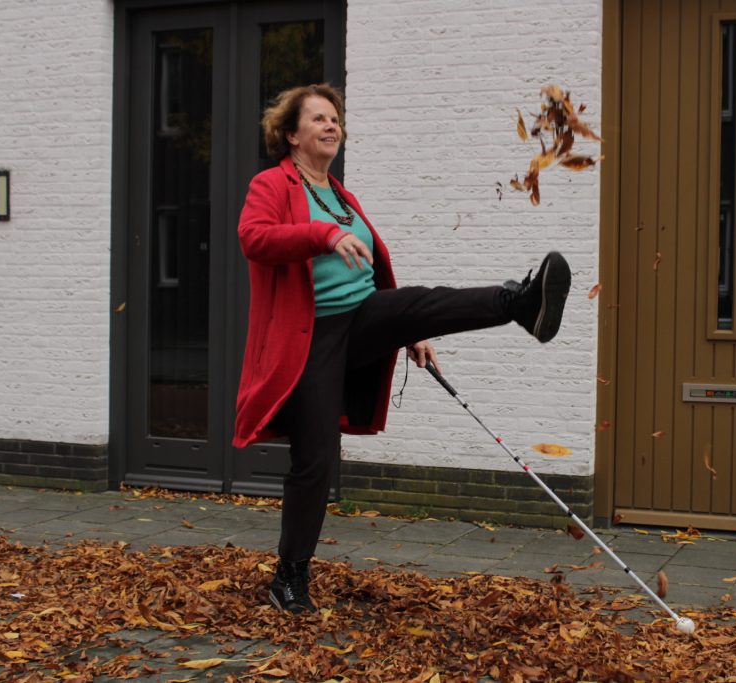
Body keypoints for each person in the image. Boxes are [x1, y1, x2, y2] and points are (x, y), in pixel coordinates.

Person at [232, 83, 571, 614]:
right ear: (292, 134)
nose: (331, 126)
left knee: (416, 304)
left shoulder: (341, 196)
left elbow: (375, 277)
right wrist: (319, 236)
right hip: (310, 338)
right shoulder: (272, 185)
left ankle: (519, 302)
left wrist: (406, 330)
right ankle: (289, 577)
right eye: (319, 119)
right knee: (315, 461)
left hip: (362, 318)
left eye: (336, 119)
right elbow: (254, 238)